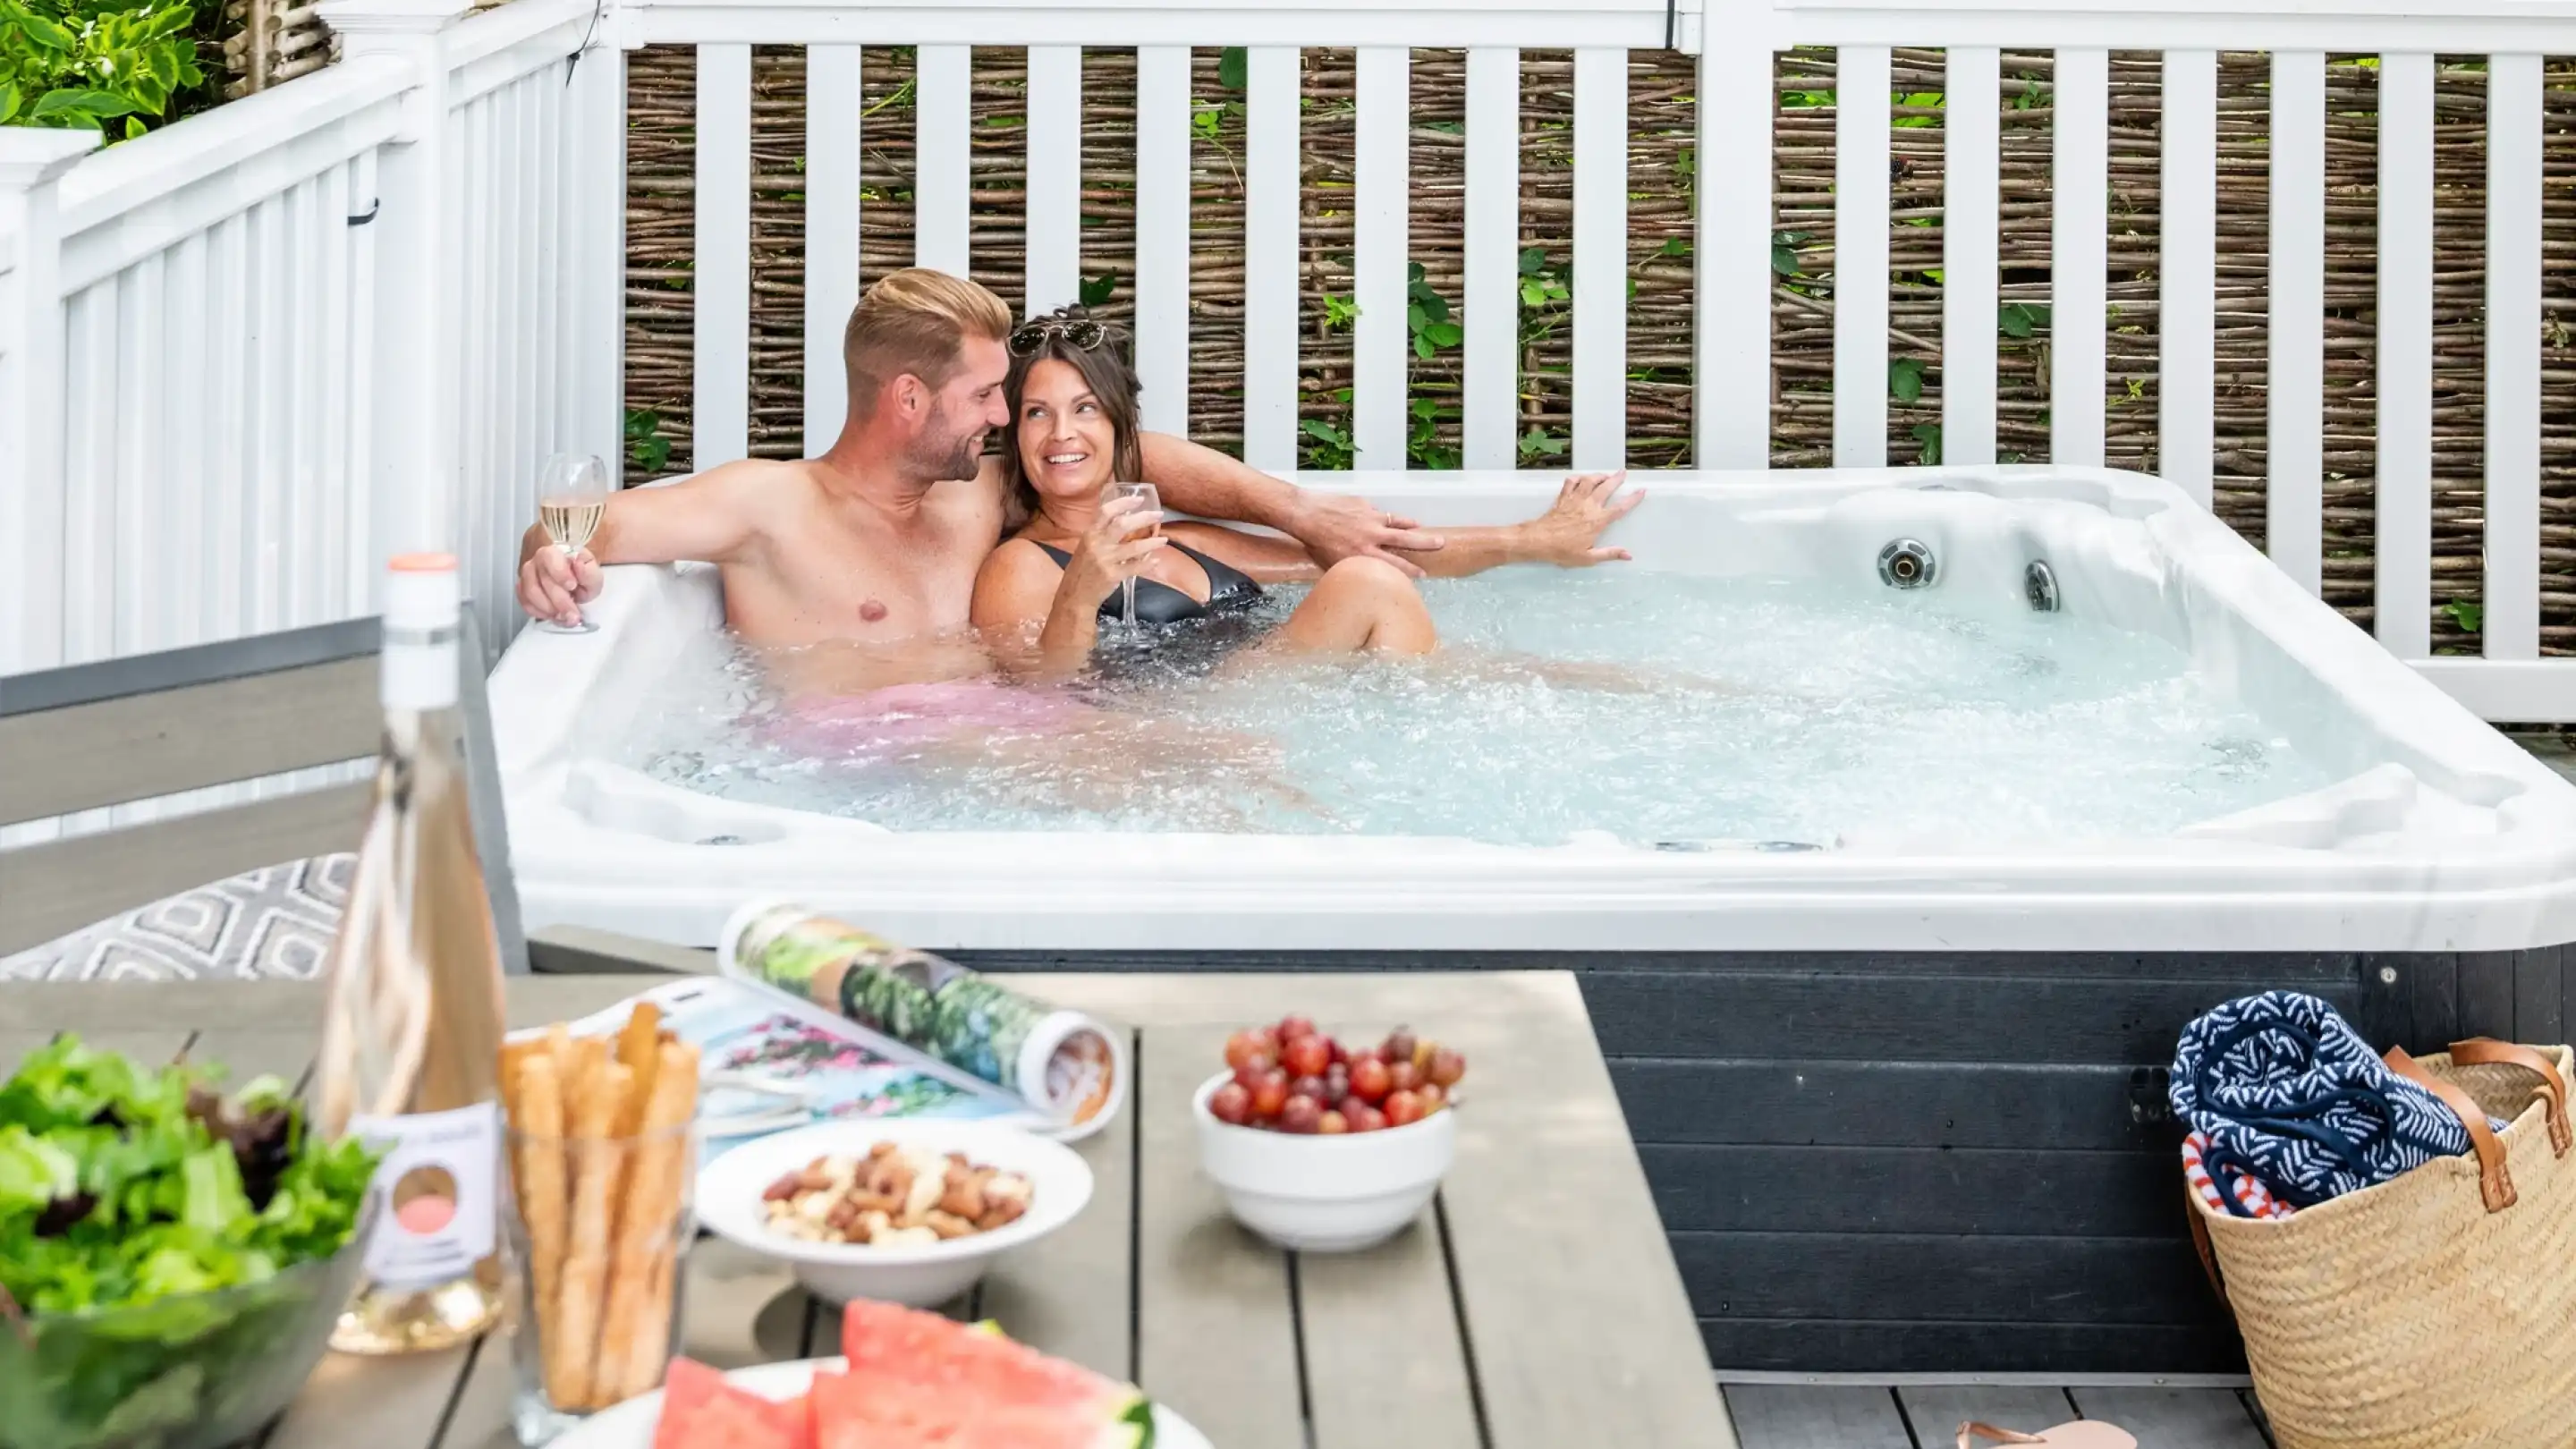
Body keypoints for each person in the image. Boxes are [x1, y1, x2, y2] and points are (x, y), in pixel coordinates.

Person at [515, 268, 1447, 699]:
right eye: (987, 397)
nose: (1008, 418)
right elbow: (579, 524)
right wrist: (548, 558)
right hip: (862, 772)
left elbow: (1118, 448)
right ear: (909, 398)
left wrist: (1297, 510)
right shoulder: (769, 504)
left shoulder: (968, 489)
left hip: (1030, 734)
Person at [969, 308, 1640, 679]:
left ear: (1121, 425)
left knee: (1550, 675)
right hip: (1185, 722)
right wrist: (1083, 587)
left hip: (1281, 697)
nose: (1062, 433)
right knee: (1372, 592)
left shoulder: (1184, 541)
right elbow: (1045, 694)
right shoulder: (1019, 567)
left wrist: (1532, 541)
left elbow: (1378, 558)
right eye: (1037, 412)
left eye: (1085, 409)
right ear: (1014, 429)